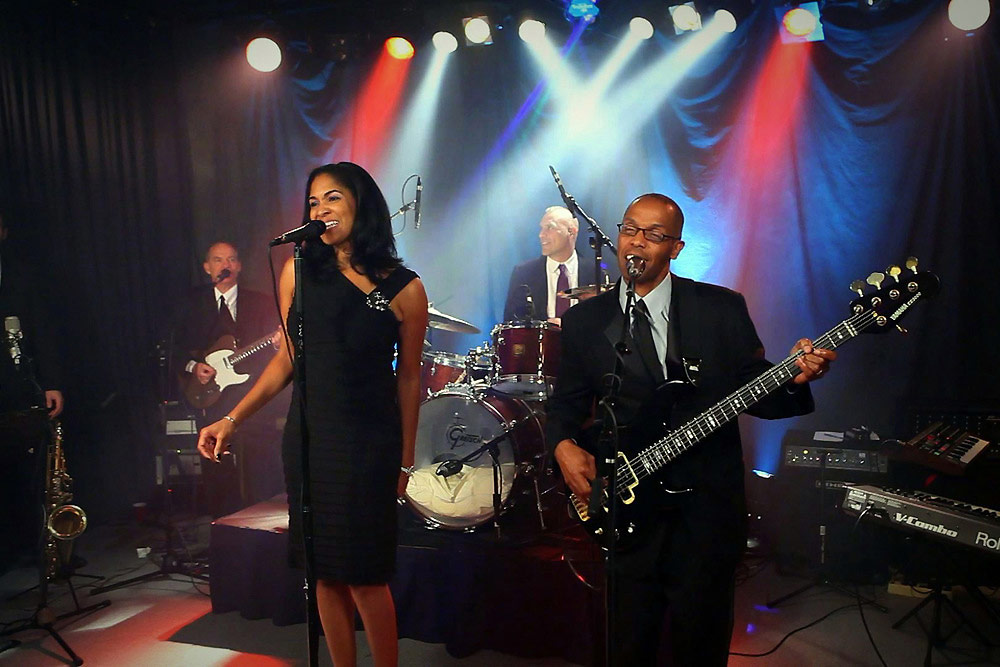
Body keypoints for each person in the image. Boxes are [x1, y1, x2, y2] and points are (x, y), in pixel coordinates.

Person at [546, 193, 836, 665]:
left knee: (700, 644)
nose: (637, 242)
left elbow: (756, 391)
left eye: (653, 234)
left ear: (676, 248)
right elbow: (566, 403)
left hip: (705, 512)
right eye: (629, 229)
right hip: (628, 508)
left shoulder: (720, 309)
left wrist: (796, 378)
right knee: (627, 643)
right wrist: (562, 445)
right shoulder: (584, 320)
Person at [197, 162, 428, 667]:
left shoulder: (405, 287)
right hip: (310, 439)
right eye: (313, 202)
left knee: (365, 575)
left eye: (333, 198)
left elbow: (409, 378)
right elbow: (288, 359)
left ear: (361, 205)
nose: (320, 210)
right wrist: (231, 419)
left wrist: (406, 459)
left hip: (368, 443)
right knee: (324, 573)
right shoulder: (297, 271)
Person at [171, 241, 282, 513]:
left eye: (231, 259)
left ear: (239, 266)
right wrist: (193, 367)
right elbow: (174, 347)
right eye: (218, 260)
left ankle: (259, 516)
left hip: (253, 394)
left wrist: (278, 344)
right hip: (211, 396)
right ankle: (221, 519)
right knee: (216, 461)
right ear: (207, 268)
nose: (226, 265)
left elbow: (279, 350)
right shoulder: (192, 304)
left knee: (259, 461)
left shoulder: (261, 302)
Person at [0, 210, 64, 573]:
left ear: (4, 232)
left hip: (18, 385)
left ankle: (33, 546)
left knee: (26, 469)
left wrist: (51, 381)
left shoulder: (21, 276)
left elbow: (42, 331)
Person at [503, 205, 599, 325]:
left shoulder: (596, 273)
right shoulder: (523, 274)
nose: (541, 235)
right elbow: (511, 323)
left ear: (571, 232)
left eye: (549, 227)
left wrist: (570, 325)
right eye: (542, 228)